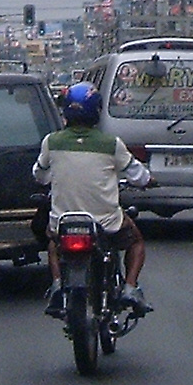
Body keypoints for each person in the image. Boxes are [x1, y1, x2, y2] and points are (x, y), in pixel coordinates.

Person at [33, 81, 152, 318]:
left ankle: (57, 286)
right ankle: (129, 288)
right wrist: (150, 181)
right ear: (96, 111)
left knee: (53, 245)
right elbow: (139, 177)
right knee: (136, 241)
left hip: (64, 223)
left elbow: (39, 175)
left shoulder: (52, 142)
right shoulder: (111, 144)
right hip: (106, 224)